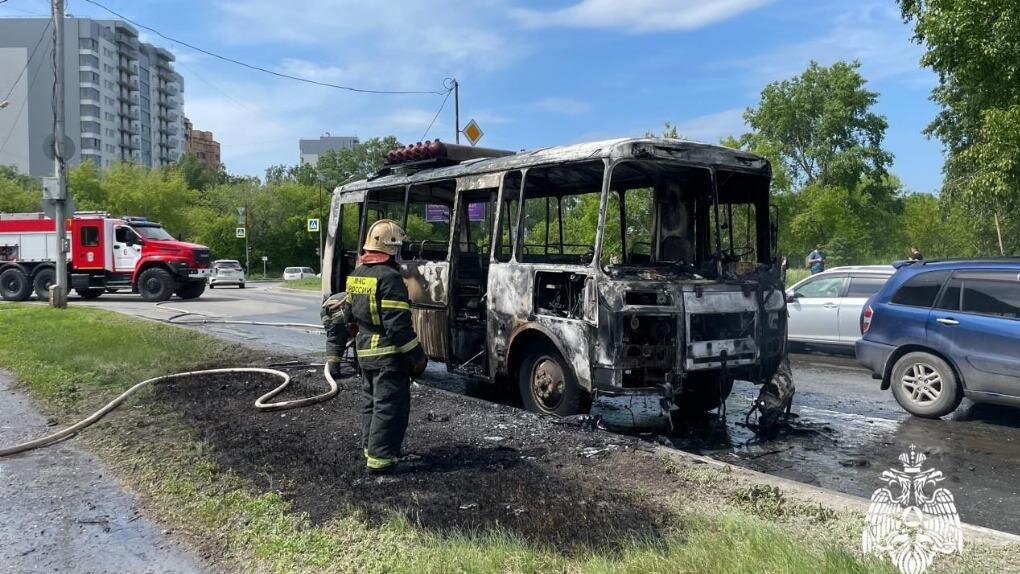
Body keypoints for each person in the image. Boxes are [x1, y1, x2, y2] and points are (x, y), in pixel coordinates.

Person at [321, 219, 427, 474]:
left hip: (365, 352)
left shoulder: (357, 275)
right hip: (389, 356)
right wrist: (417, 357)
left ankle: (371, 450)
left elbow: (349, 318)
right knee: (389, 407)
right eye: (398, 248)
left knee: (371, 403)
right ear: (392, 248)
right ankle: (381, 461)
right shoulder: (389, 278)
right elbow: (398, 327)